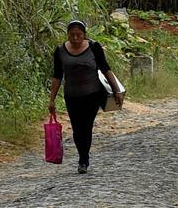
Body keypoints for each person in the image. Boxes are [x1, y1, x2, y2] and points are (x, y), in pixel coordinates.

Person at [48, 19, 124, 173]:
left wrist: (117, 91)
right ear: (67, 35)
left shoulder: (94, 47)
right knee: (77, 129)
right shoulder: (60, 51)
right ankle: (82, 155)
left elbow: (105, 69)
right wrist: (52, 99)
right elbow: (57, 76)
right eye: (72, 35)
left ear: (84, 35)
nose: (75, 38)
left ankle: (84, 160)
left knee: (86, 126)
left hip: (92, 95)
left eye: (79, 35)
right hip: (71, 96)